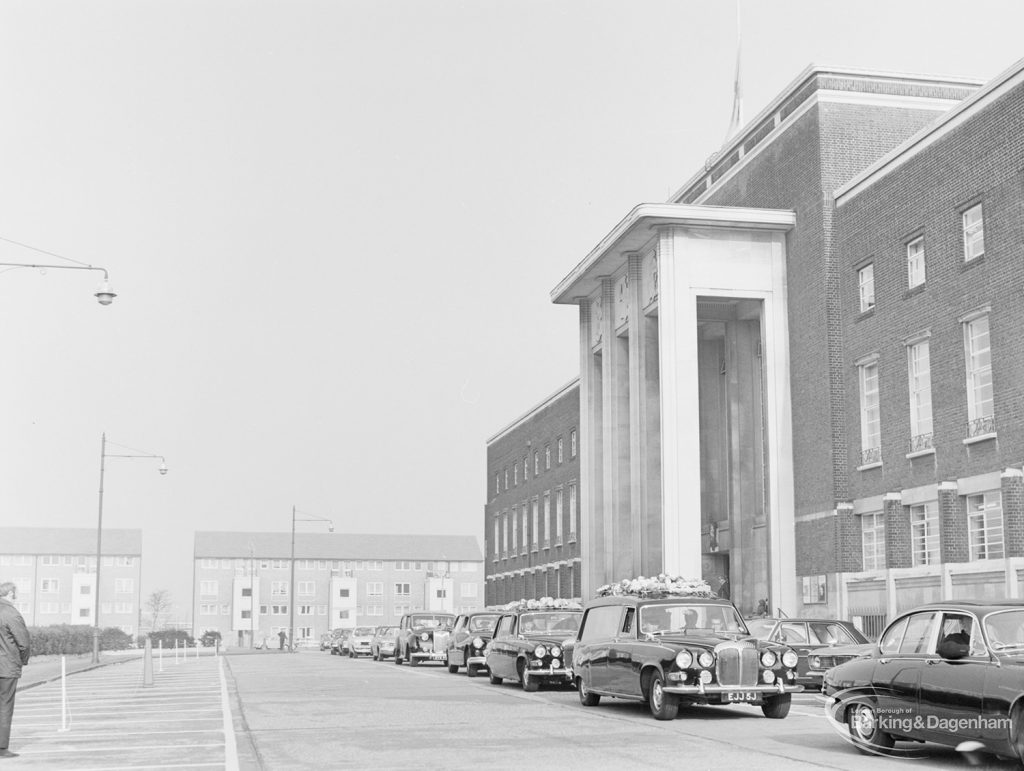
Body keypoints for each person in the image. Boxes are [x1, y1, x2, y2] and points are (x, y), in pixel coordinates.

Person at [0, 582, 31, 759]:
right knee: (4, 705)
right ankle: (2, 748)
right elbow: (24, 643)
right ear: (11, 593)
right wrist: (22, 661)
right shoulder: (11, 613)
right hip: (6, 666)